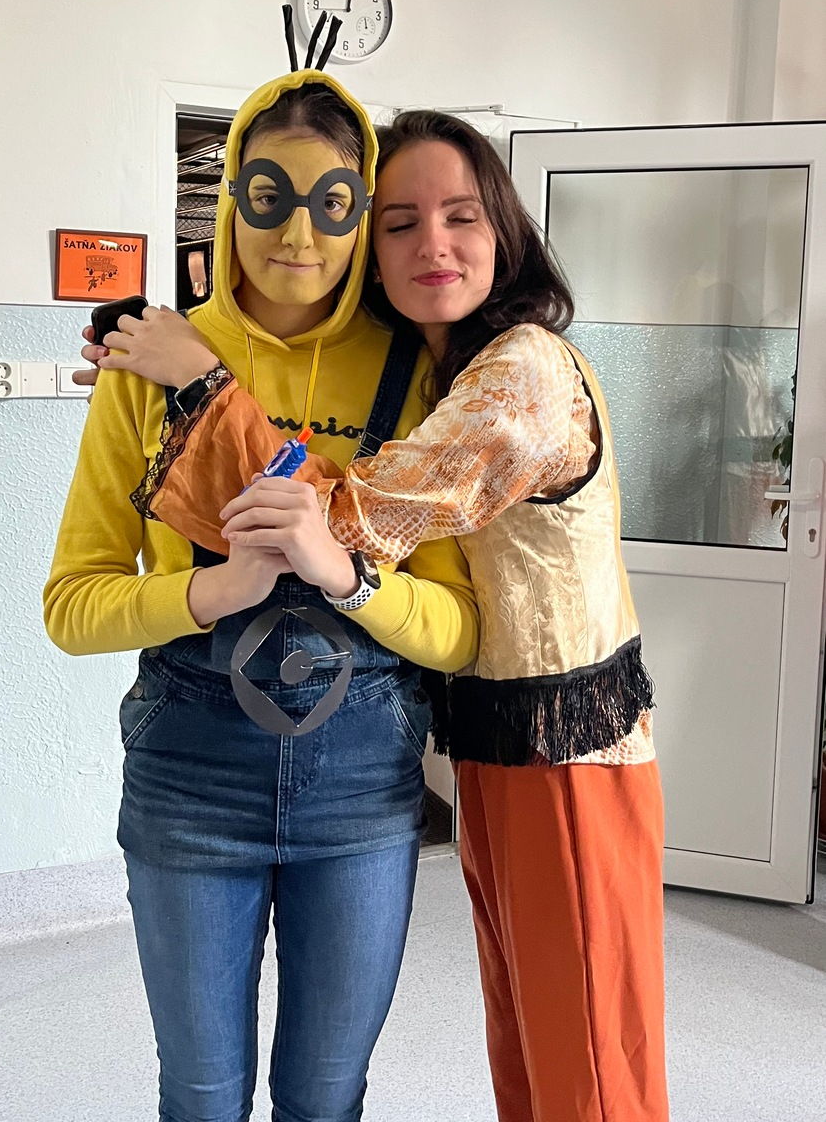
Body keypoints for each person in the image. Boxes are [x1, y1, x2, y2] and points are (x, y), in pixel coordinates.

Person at [82, 109, 670, 1122]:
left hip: (570, 752)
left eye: (462, 215)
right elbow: (87, 587)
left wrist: (194, 385)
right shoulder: (444, 368)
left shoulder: (522, 372)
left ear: (506, 230)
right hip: (487, 742)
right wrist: (160, 378)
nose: (432, 243)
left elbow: (338, 517)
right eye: (399, 222)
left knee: (587, 1054)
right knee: (529, 1039)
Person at [45, 65, 479, 1122]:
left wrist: (348, 575)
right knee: (201, 1096)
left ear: (361, 212)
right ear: (232, 194)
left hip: (363, 785)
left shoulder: (421, 375)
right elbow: (72, 605)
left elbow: (459, 631)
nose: (297, 235)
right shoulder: (149, 360)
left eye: (333, 205)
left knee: (326, 1096)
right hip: (190, 774)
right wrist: (213, 589)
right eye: (269, 197)